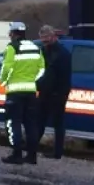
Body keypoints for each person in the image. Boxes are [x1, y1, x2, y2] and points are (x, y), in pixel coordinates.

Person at [0, 21, 46, 165]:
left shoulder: (12, 47)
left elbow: (7, 67)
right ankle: (32, 156)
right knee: (31, 124)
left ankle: (17, 154)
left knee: (13, 123)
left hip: (15, 92)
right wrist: (31, 80)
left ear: (13, 34)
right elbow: (42, 69)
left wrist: (3, 81)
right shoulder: (35, 47)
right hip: (31, 91)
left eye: (10, 33)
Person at [36, 25, 71, 159]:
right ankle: (32, 146)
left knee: (58, 123)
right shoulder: (45, 51)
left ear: (53, 37)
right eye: (42, 40)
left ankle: (57, 152)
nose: (44, 42)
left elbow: (63, 76)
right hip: (45, 91)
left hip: (58, 93)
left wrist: (60, 93)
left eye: (46, 39)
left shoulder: (62, 54)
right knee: (39, 120)